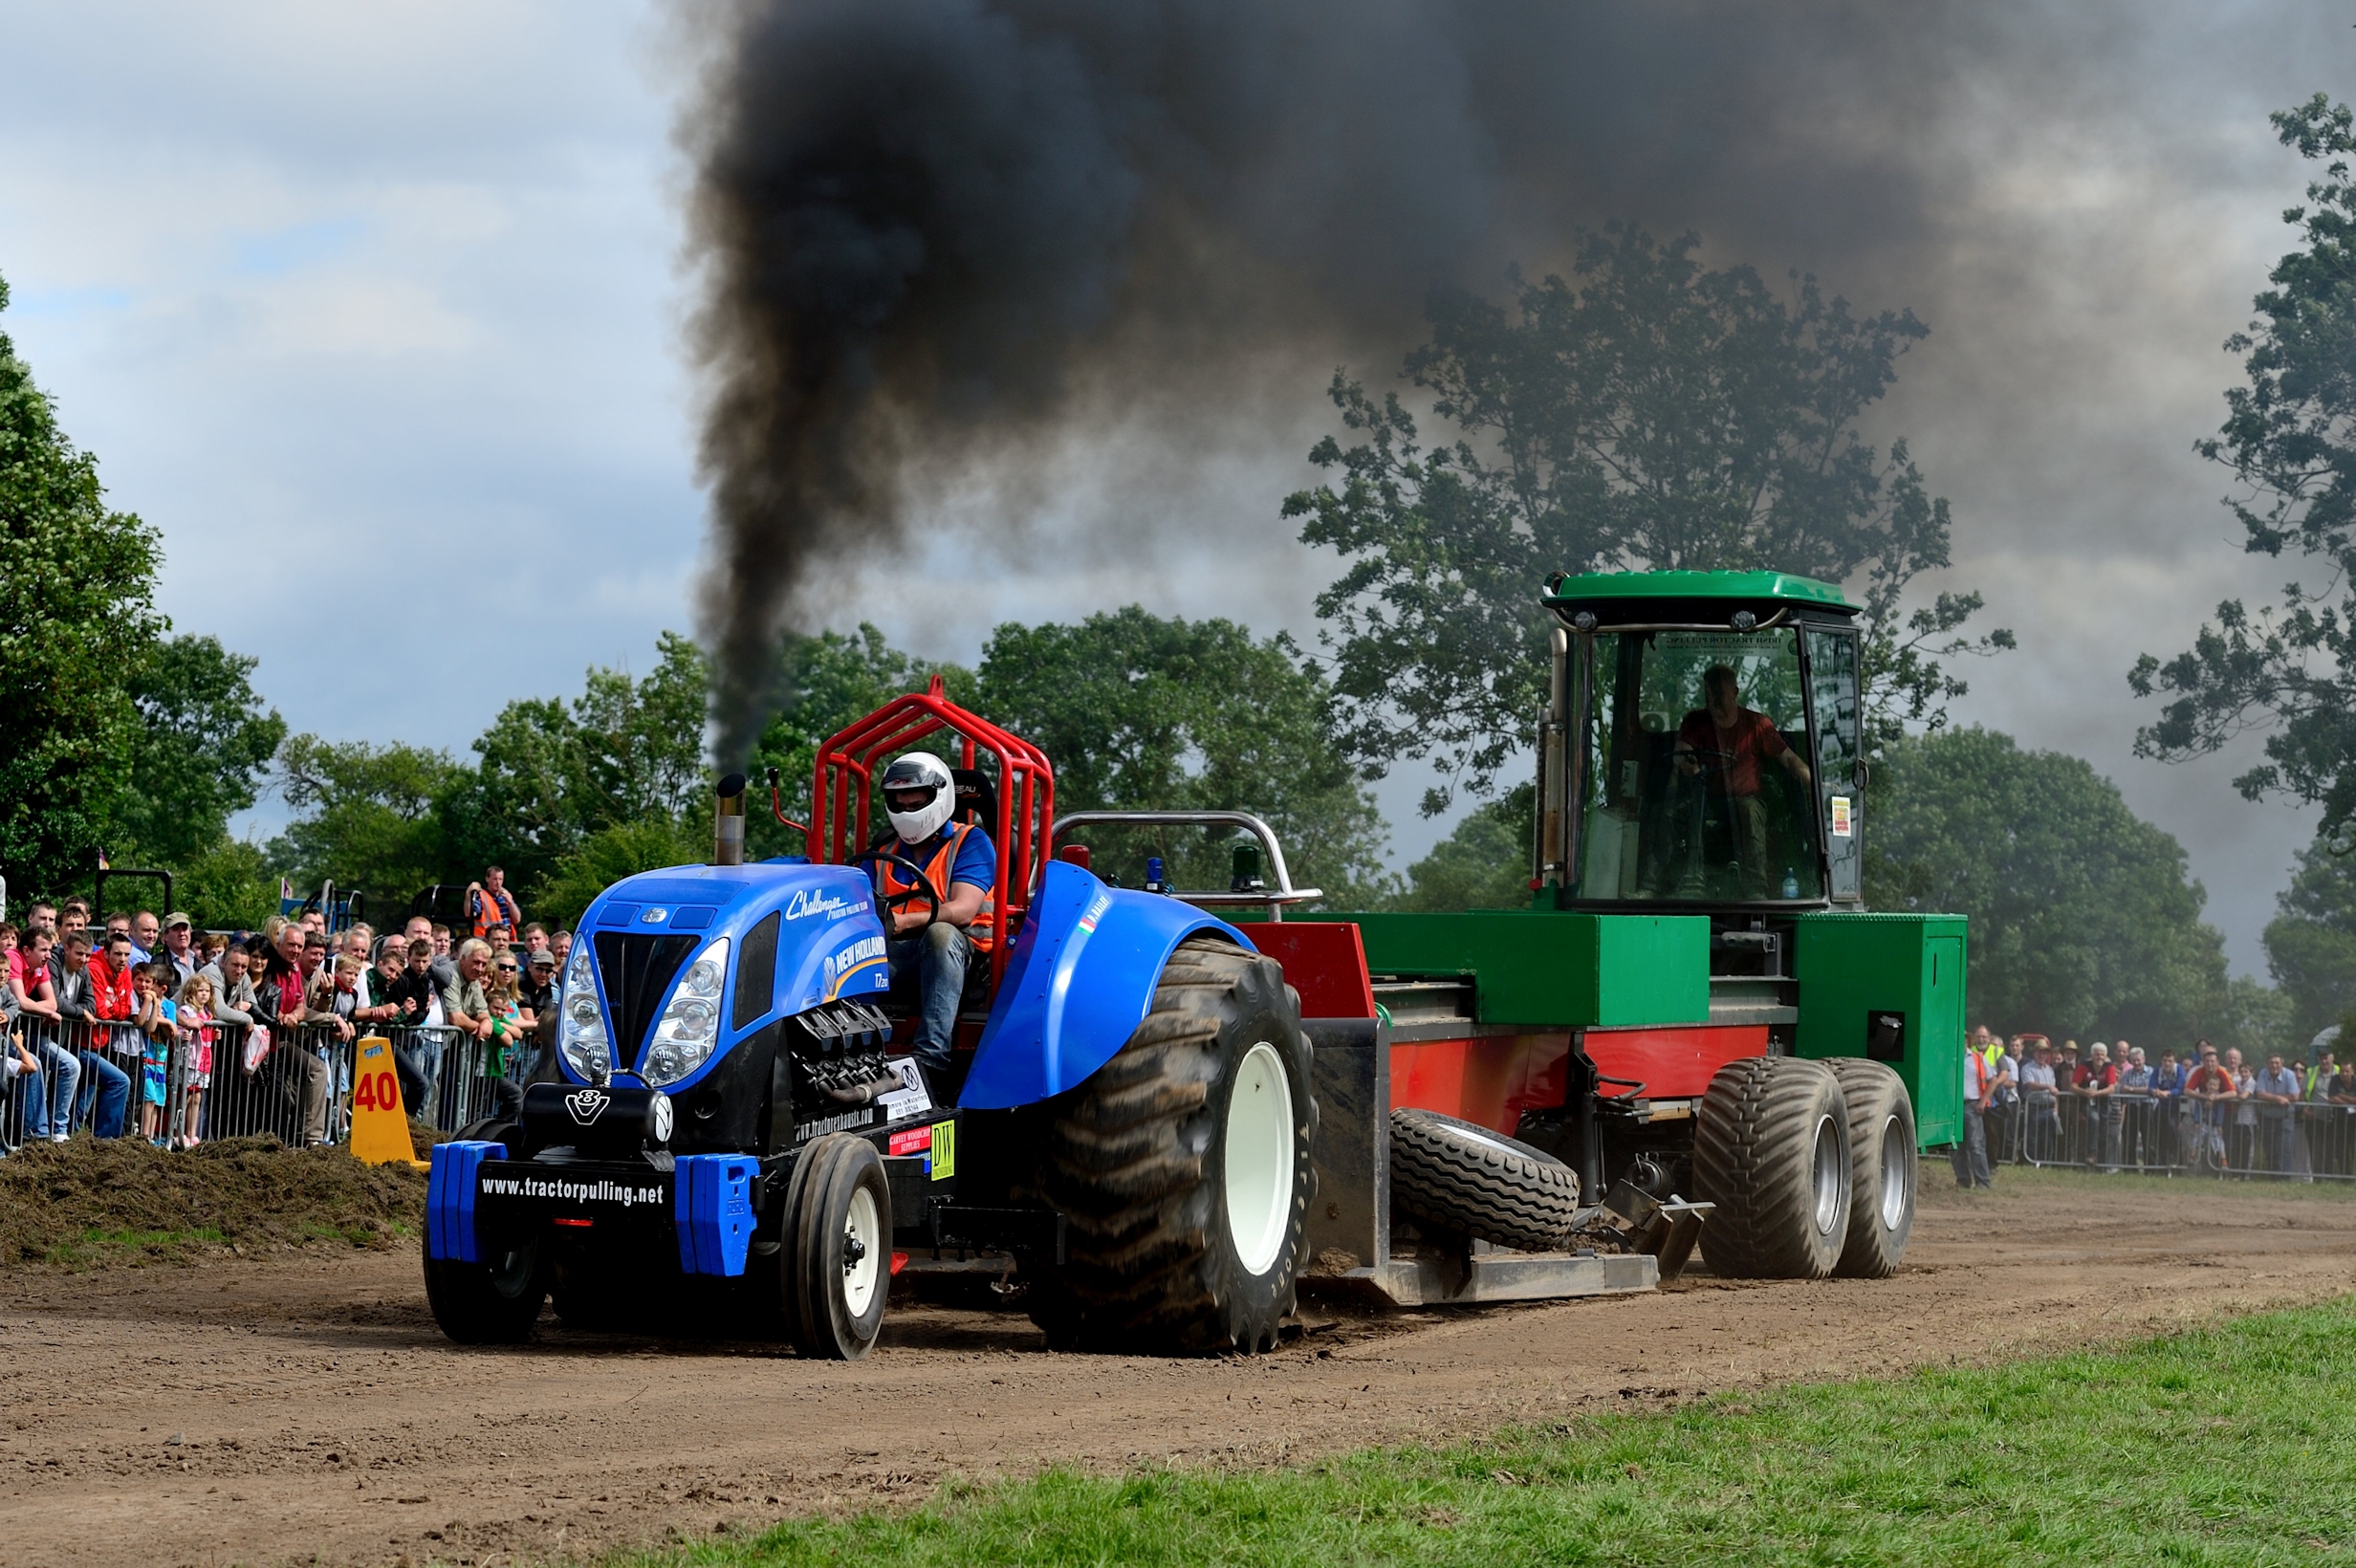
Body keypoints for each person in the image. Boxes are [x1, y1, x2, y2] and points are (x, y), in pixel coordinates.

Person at [870, 752, 995, 1101]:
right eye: (900, 802)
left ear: (939, 797)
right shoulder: (883, 851)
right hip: (900, 956)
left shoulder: (970, 842)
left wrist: (903, 921)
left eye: (916, 801)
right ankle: (848, 1056)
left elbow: (964, 910)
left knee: (940, 935)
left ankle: (930, 1065)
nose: (907, 809)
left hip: (965, 961)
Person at [1672, 664, 1813, 900]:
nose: (1712, 700)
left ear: (1735, 693)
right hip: (1707, 800)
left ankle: (1756, 890)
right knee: (1667, 815)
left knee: (1749, 810)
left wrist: (1819, 789)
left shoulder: (1757, 725)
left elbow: (1789, 759)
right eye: (1708, 694)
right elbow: (1682, 750)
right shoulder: (1695, 721)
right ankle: (1654, 885)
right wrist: (1687, 761)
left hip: (1745, 800)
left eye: (1718, 694)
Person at [254, 925, 332, 1147]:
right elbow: (262, 1003)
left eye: (299, 945)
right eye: (291, 945)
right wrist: (282, 1016)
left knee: (316, 1069)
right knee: (283, 1097)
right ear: (278, 944)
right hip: (264, 1042)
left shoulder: (295, 971)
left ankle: (311, 1138)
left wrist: (294, 1016)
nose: (296, 950)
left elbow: (300, 1006)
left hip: (282, 1042)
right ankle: (286, 1140)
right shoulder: (270, 969)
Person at [443, 939, 521, 1119]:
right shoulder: (450, 975)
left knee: (509, 1098)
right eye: (476, 962)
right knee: (455, 1107)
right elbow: (456, 1018)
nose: (479, 969)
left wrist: (488, 1022)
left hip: (470, 1060)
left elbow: (483, 1013)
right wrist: (483, 1026)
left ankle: (494, 1135)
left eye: (483, 964)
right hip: (448, 1050)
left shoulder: (475, 982)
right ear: (463, 958)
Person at [131, 963, 179, 1143]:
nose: (147, 987)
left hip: (161, 1058)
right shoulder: (145, 1001)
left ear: (161, 987)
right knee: (148, 1095)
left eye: (151, 983)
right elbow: (149, 1025)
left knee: (158, 1097)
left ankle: (151, 1136)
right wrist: (167, 1022)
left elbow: (171, 1034)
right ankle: (144, 1136)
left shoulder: (170, 1006)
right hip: (146, 1055)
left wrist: (167, 1023)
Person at [173, 973, 216, 1148]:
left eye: (207, 991)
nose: (204, 994)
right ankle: (178, 1132)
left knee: (197, 1096)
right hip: (190, 1058)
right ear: (192, 991)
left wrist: (215, 1034)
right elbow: (179, 1029)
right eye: (200, 990)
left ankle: (192, 1134)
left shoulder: (208, 1013)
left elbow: (208, 1034)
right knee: (186, 1095)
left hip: (205, 1060)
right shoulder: (186, 1011)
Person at [1952, 1028, 1994, 1189]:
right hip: (1955, 1107)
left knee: (1976, 1145)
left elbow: (1993, 1080)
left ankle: (1983, 1182)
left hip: (1972, 1105)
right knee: (1956, 1147)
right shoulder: (1951, 1058)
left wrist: (1983, 1101)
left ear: (1968, 1042)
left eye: (1963, 1039)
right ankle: (1963, 1180)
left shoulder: (1978, 1059)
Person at [2252, 1052, 2301, 1178]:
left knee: (2284, 1150)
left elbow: (2295, 1096)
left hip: (2285, 1118)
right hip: (2267, 1118)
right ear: (2267, 1064)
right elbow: (2259, 1094)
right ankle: (2273, 1178)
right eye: (2271, 1063)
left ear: (2282, 1064)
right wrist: (2278, 1099)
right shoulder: (2263, 1073)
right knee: (2270, 1150)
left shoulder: (2289, 1075)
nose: (2274, 1065)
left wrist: (2270, 1099)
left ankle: (2284, 1179)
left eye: (2277, 1063)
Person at [2018, 1039, 2061, 1163]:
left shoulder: (2050, 1070)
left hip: (2049, 1107)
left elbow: (2054, 1091)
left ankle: (2045, 1162)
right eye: (2040, 1052)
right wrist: (2047, 1087)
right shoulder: (2027, 1068)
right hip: (2033, 1106)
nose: (2042, 1055)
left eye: (2045, 1053)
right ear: (2034, 1053)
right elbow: (2030, 1085)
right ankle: (2031, 1161)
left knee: (2047, 1137)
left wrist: (2056, 1107)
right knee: (2032, 1137)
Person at [467, 868, 522, 945]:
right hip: (486, 942)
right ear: (487, 879)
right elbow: (468, 914)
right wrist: (468, 894)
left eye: (500, 879)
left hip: (506, 941)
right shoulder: (481, 896)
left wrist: (510, 902)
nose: (498, 883)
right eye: (495, 879)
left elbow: (517, 920)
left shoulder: (506, 896)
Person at [157, 914, 200, 991]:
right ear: (165, 936)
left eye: (184, 928)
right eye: (176, 929)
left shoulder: (198, 962)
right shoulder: (158, 963)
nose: (182, 933)